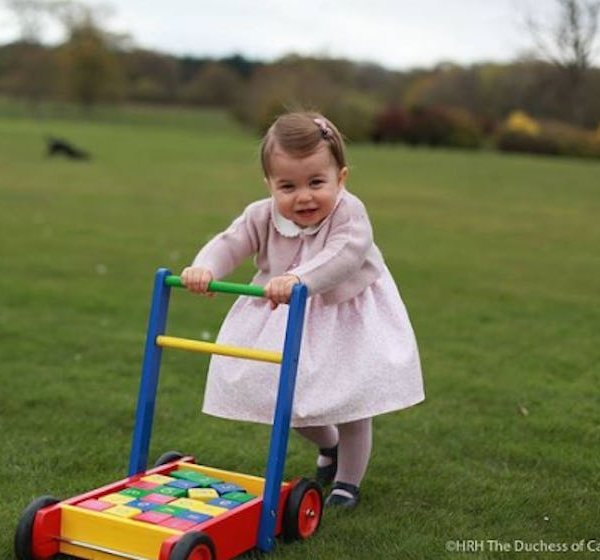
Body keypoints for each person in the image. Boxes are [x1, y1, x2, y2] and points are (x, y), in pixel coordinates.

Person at [181, 111, 424, 508]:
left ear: (340, 178)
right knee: (286, 400)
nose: (304, 196)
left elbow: (343, 255)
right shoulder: (262, 214)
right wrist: (205, 266)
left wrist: (298, 279)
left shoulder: (349, 212)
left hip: (345, 314)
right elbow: (231, 241)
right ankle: (328, 445)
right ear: (270, 184)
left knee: (350, 400)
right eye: (288, 186)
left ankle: (348, 481)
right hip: (287, 314)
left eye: (316, 182)